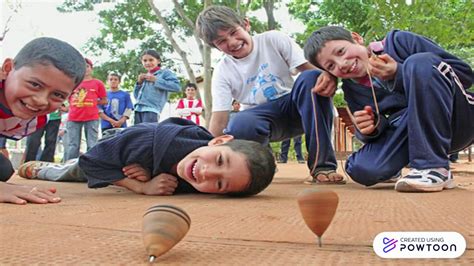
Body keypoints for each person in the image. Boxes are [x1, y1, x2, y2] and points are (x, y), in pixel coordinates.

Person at [304, 26, 473, 192]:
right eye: (331, 66)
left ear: (356, 38)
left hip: (459, 120)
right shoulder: (351, 88)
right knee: (361, 167)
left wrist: (399, 73)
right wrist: (370, 128)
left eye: (341, 51)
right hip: (412, 132)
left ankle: (434, 167)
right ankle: (393, 170)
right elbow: (373, 133)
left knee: (420, 62)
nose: (342, 64)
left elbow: (464, 75)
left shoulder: (398, 42)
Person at [196, 6, 343, 184]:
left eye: (234, 32)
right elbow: (219, 118)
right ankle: (263, 168)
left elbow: (311, 72)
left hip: (296, 108)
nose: (233, 42)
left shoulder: (273, 39)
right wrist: (204, 153)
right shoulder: (223, 71)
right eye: (222, 41)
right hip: (261, 119)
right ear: (215, 47)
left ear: (246, 24)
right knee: (239, 122)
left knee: (313, 77)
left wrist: (332, 77)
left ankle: (323, 166)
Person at [18, 118, 276, 197]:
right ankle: (46, 169)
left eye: (220, 184)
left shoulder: (198, 172)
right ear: (219, 140)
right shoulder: (145, 142)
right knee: (78, 171)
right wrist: (140, 185)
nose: (207, 173)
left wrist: (150, 173)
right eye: (220, 161)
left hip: (144, 160)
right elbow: (93, 161)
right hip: (118, 141)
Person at [0, 37, 86, 204]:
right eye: (35, 84)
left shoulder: (35, 119)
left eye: (58, 95)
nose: (41, 100)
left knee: (3, 169)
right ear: (8, 68)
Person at [64, 58, 107, 161]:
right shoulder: (73, 82)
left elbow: (104, 100)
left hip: (91, 117)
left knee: (92, 144)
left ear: (91, 68)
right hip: (74, 117)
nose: (85, 69)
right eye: (82, 66)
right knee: (73, 145)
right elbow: (68, 98)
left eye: (87, 66)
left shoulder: (97, 83)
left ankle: (91, 166)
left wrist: (92, 101)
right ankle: (69, 166)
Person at [134, 50, 181, 124]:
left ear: (158, 61)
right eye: (145, 60)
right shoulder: (145, 76)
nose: (148, 63)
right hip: (138, 109)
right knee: (138, 134)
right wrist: (139, 83)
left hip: (152, 110)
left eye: (151, 60)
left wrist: (156, 80)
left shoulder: (164, 73)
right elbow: (136, 96)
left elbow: (176, 87)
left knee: (148, 133)